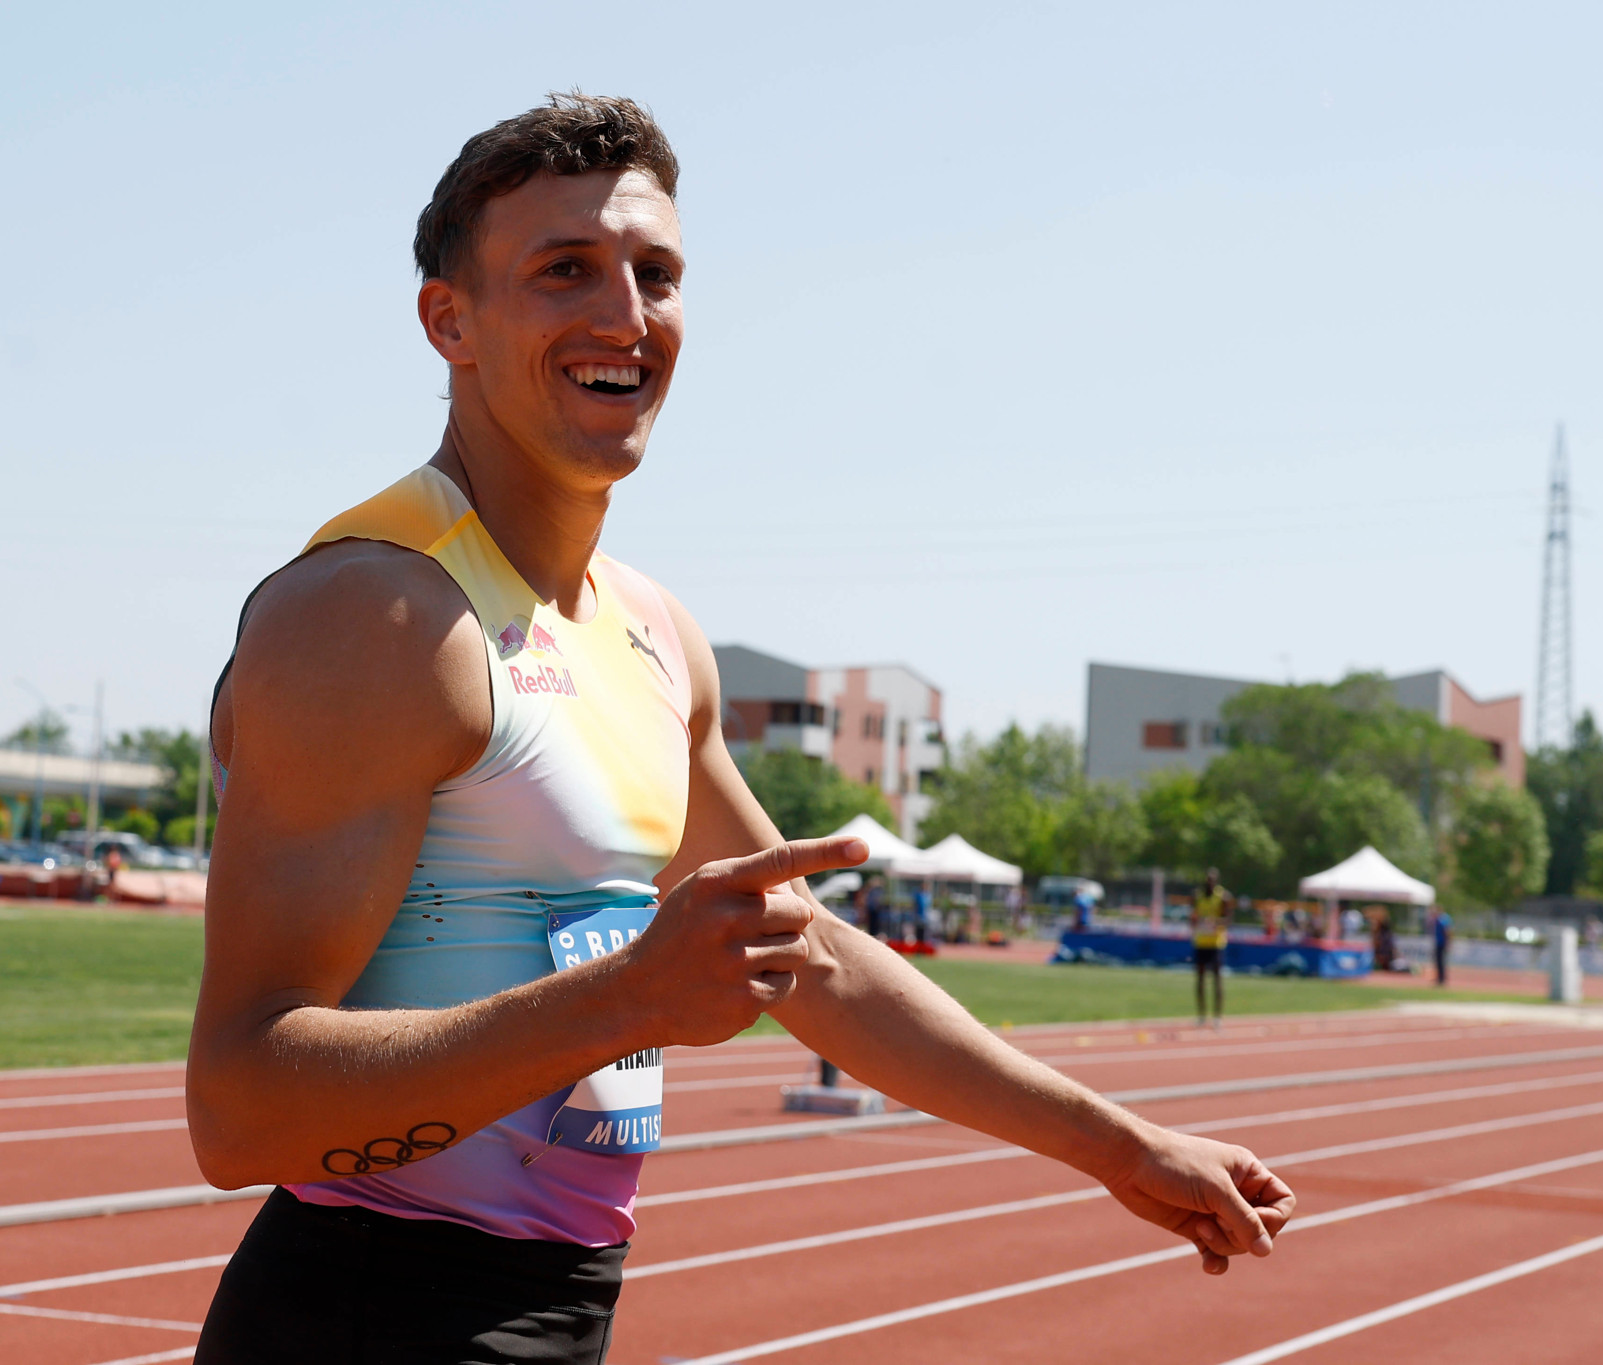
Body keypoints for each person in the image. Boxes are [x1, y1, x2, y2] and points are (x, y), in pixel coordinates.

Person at [185, 95, 1292, 1365]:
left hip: (558, 1308)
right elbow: (239, 1109)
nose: (624, 316)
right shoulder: (378, 615)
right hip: (364, 1319)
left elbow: (806, 959)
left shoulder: (652, 633)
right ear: (453, 323)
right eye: (563, 273)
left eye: (652, 273)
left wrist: (1119, 1145)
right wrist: (625, 998)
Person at [1192, 869, 1231, 1027]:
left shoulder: (1223, 897)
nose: (1209, 882)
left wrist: (1215, 922)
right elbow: (1192, 918)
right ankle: (1201, 1015)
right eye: (1208, 879)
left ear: (1216, 881)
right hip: (1201, 942)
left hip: (1216, 943)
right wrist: (1197, 922)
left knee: (1217, 980)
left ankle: (1217, 1016)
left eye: (1212, 880)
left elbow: (1228, 919)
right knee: (1200, 980)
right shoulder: (1197, 896)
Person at [1430, 903, 1451, 987]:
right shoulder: (1439, 919)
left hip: (1441, 943)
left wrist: (1448, 943)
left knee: (1440, 961)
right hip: (1439, 942)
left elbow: (1447, 931)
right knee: (1438, 961)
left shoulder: (1442, 919)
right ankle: (1439, 978)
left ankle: (1441, 979)